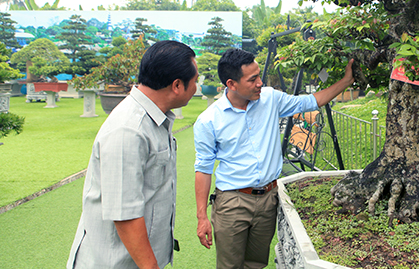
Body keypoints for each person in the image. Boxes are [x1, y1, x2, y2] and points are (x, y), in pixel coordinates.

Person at [194, 48, 355, 269]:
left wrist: (347, 80)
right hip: (232, 202)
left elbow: (311, 102)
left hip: (268, 199)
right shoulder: (209, 120)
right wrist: (202, 217)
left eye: (259, 75)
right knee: (229, 266)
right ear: (231, 84)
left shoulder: (270, 98)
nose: (260, 83)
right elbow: (203, 169)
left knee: (256, 264)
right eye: (252, 79)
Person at [67, 40, 199, 269]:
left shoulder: (155, 119)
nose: (196, 86)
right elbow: (125, 214)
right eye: (195, 81)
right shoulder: (128, 129)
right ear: (177, 85)